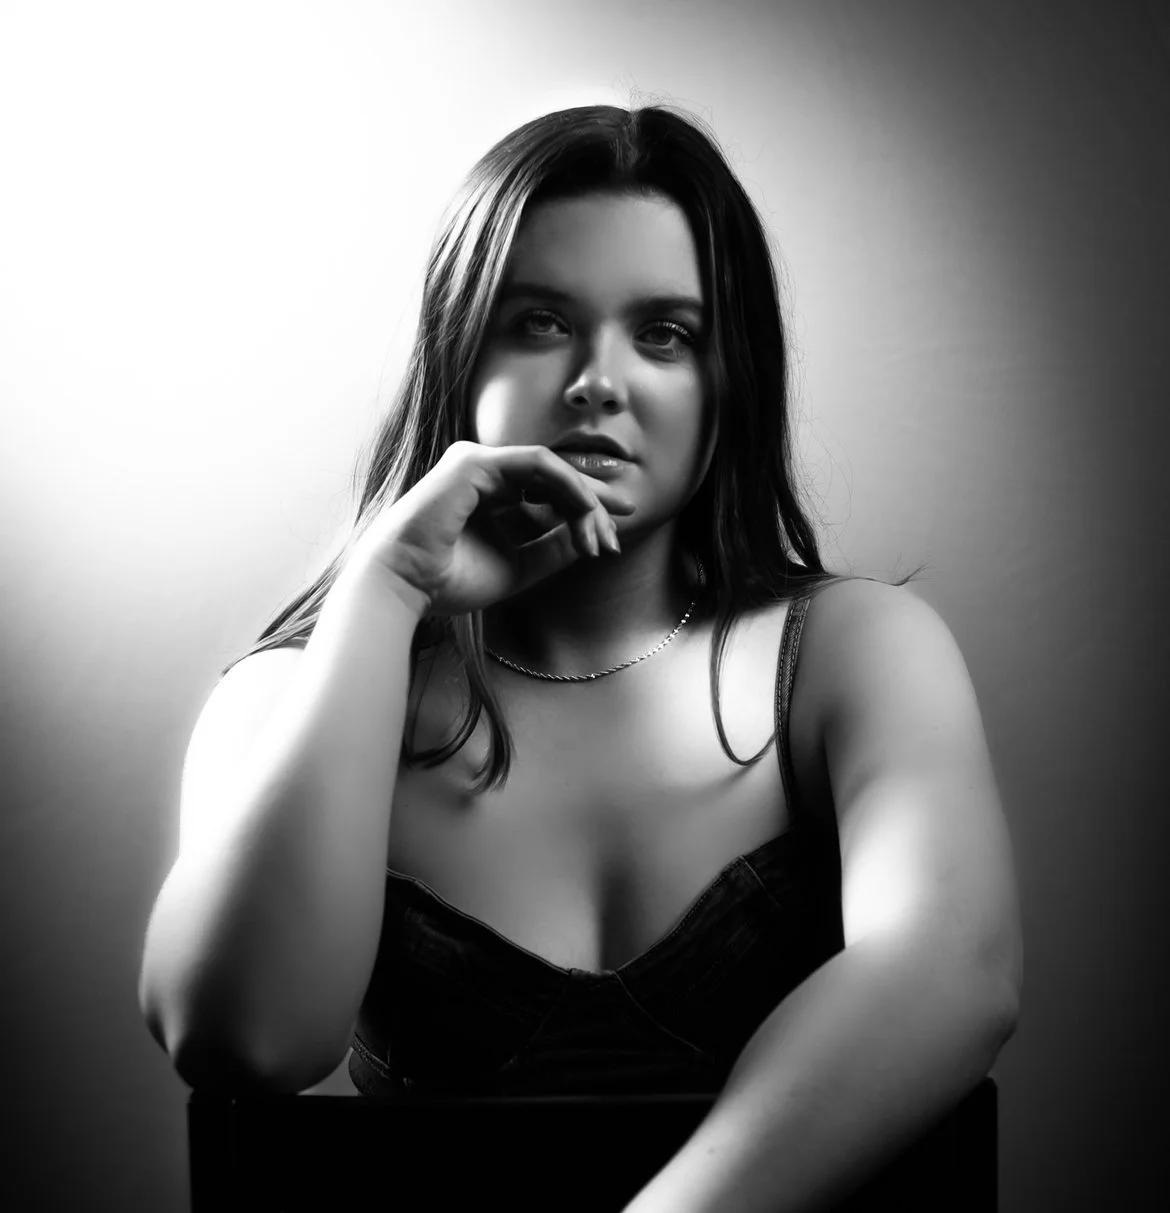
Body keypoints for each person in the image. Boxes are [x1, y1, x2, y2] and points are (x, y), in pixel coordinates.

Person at [139, 104, 1020, 1204]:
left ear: (728, 378)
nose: (600, 380)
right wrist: (384, 592)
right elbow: (244, 1042)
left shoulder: (852, 654)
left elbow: (955, 972)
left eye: (665, 333)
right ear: (461, 353)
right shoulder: (289, 695)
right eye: (543, 321)